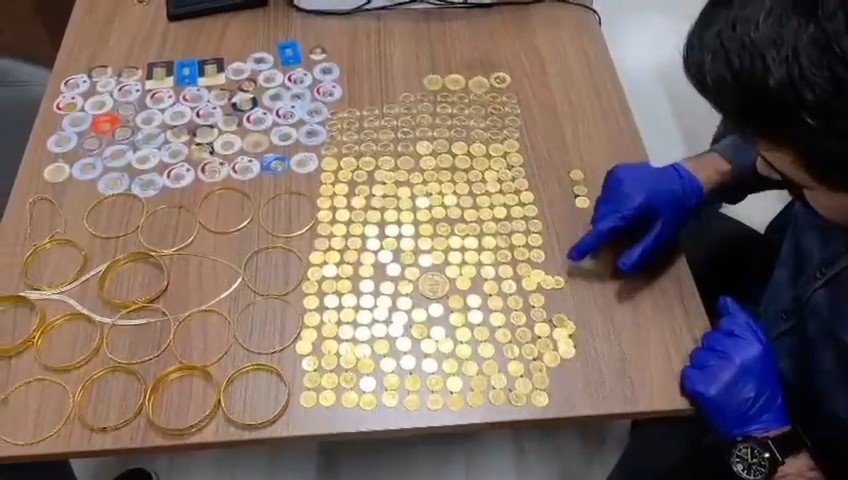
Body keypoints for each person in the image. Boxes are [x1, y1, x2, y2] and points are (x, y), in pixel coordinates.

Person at [568, 0, 848, 479]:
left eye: (789, 177)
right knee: (645, 257)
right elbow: (791, 117)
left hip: (802, 443)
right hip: (778, 293)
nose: (761, 165)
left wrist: (769, 441)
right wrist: (708, 171)